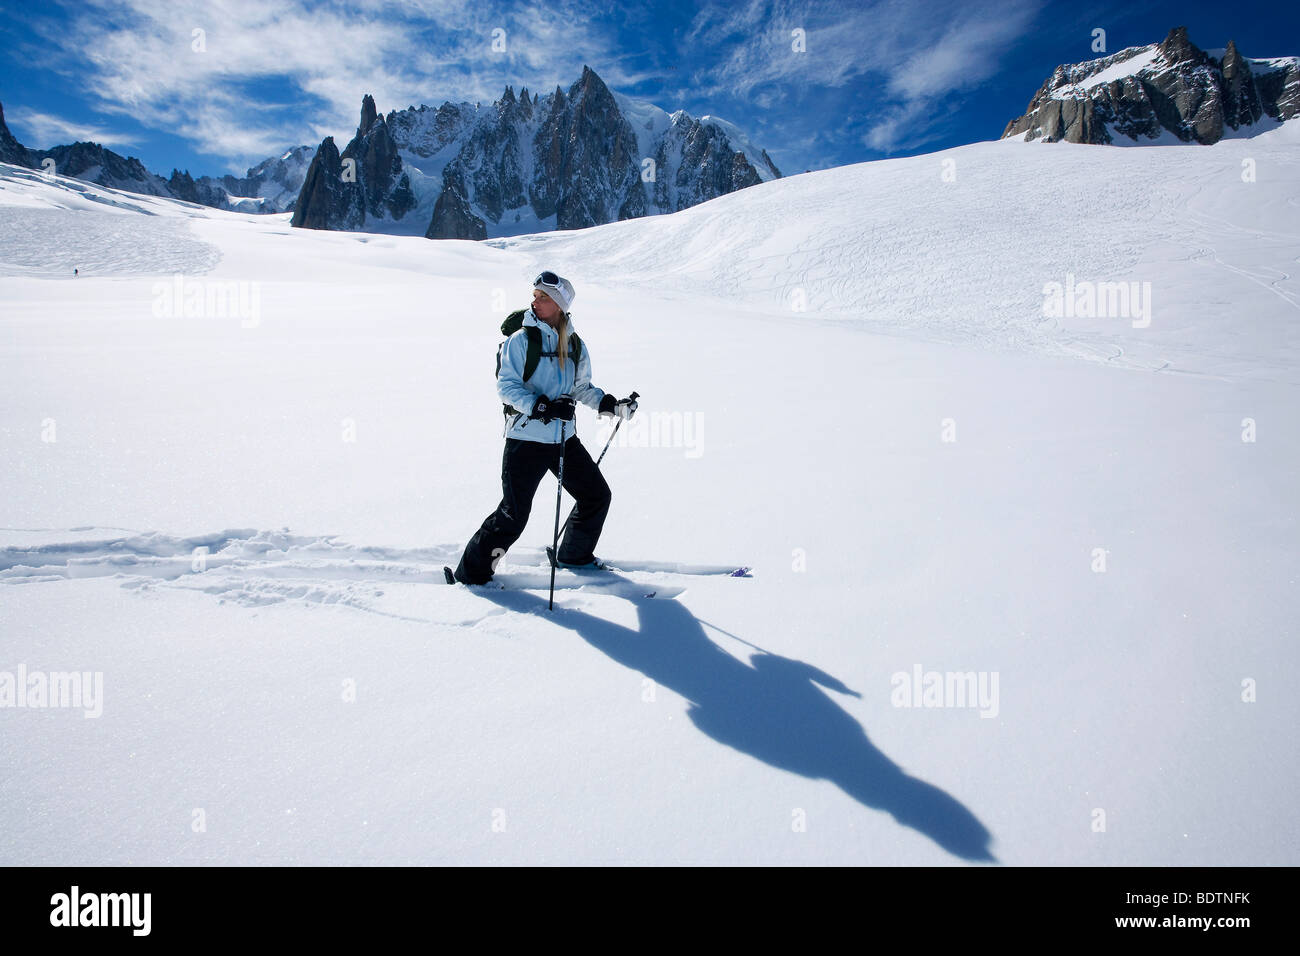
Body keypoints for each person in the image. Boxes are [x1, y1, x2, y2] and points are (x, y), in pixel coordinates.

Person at [451, 271, 638, 585]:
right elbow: (507, 388)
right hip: (525, 439)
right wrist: (542, 407)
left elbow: (582, 388)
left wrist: (611, 405)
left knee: (596, 495)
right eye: (535, 295)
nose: (536, 302)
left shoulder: (574, 344)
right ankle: (471, 575)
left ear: (561, 305)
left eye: (544, 298)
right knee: (514, 514)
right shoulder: (520, 341)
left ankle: (574, 556)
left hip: (563, 438)